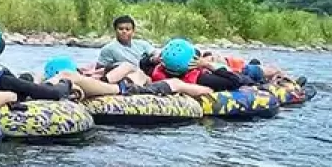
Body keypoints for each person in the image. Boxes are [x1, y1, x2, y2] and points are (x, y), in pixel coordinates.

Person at [43, 54, 214, 99]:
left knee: (128, 67)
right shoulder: (164, 80)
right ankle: (47, 90)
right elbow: (205, 89)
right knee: (67, 76)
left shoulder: (168, 82)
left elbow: (205, 89)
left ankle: (46, 90)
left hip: (122, 88)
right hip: (121, 87)